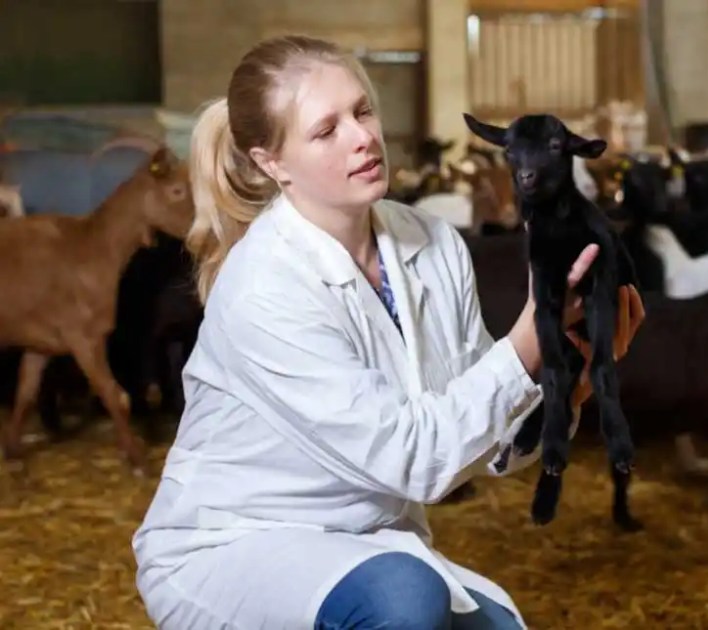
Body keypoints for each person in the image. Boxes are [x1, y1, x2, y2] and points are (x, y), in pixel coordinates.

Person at [131, 34, 644, 629]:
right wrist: (524, 345)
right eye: (326, 131)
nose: (362, 137)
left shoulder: (431, 243)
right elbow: (418, 460)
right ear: (271, 162)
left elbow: (487, 446)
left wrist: (564, 382)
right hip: (237, 542)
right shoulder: (263, 285)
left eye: (363, 110)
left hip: (370, 543)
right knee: (405, 600)